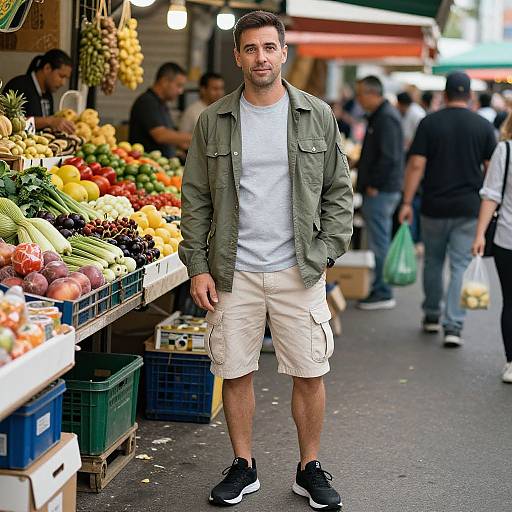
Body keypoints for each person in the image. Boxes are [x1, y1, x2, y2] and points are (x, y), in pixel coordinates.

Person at [179, 10, 353, 510]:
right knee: (235, 370)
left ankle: (309, 467)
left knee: (309, 370)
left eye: (269, 48)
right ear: (237, 56)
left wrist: (324, 253)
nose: (261, 57)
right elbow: (194, 199)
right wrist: (197, 265)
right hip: (233, 270)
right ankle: (243, 464)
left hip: (299, 267)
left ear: (283, 52)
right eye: (250, 48)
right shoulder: (213, 120)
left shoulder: (316, 114)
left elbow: (339, 193)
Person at [399, 72, 496, 347]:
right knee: (460, 266)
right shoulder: (483, 126)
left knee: (433, 262)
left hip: (433, 206)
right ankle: (453, 326)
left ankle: (431, 315)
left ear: (445, 94)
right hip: (468, 208)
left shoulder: (429, 123)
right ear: (470, 96)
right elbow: (491, 171)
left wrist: (406, 202)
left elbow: (416, 164)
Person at [355, 75, 404, 310]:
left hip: (381, 190)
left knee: (379, 241)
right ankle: (380, 287)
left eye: (361, 93)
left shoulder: (386, 118)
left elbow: (390, 156)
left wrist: (374, 183)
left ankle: (383, 290)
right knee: (378, 240)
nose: (358, 99)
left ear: (373, 93)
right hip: (381, 189)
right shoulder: (382, 116)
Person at [472, 113, 512, 383]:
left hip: (507, 239)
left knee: (510, 301)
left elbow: (492, 195)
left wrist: (480, 234)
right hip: (507, 238)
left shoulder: (505, 150)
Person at [2, 49, 74, 133]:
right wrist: (50, 121)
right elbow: (7, 121)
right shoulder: (18, 86)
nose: (63, 83)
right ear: (47, 68)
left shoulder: (48, 93)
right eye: (61, 76)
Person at [129, 62, 191, 157]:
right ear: (165, 81)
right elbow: (161, 135)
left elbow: (170, 136)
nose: (180, 91)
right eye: (179, 85)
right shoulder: (147, 102)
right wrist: (198, 136)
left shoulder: (161, 104)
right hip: (147, 166)